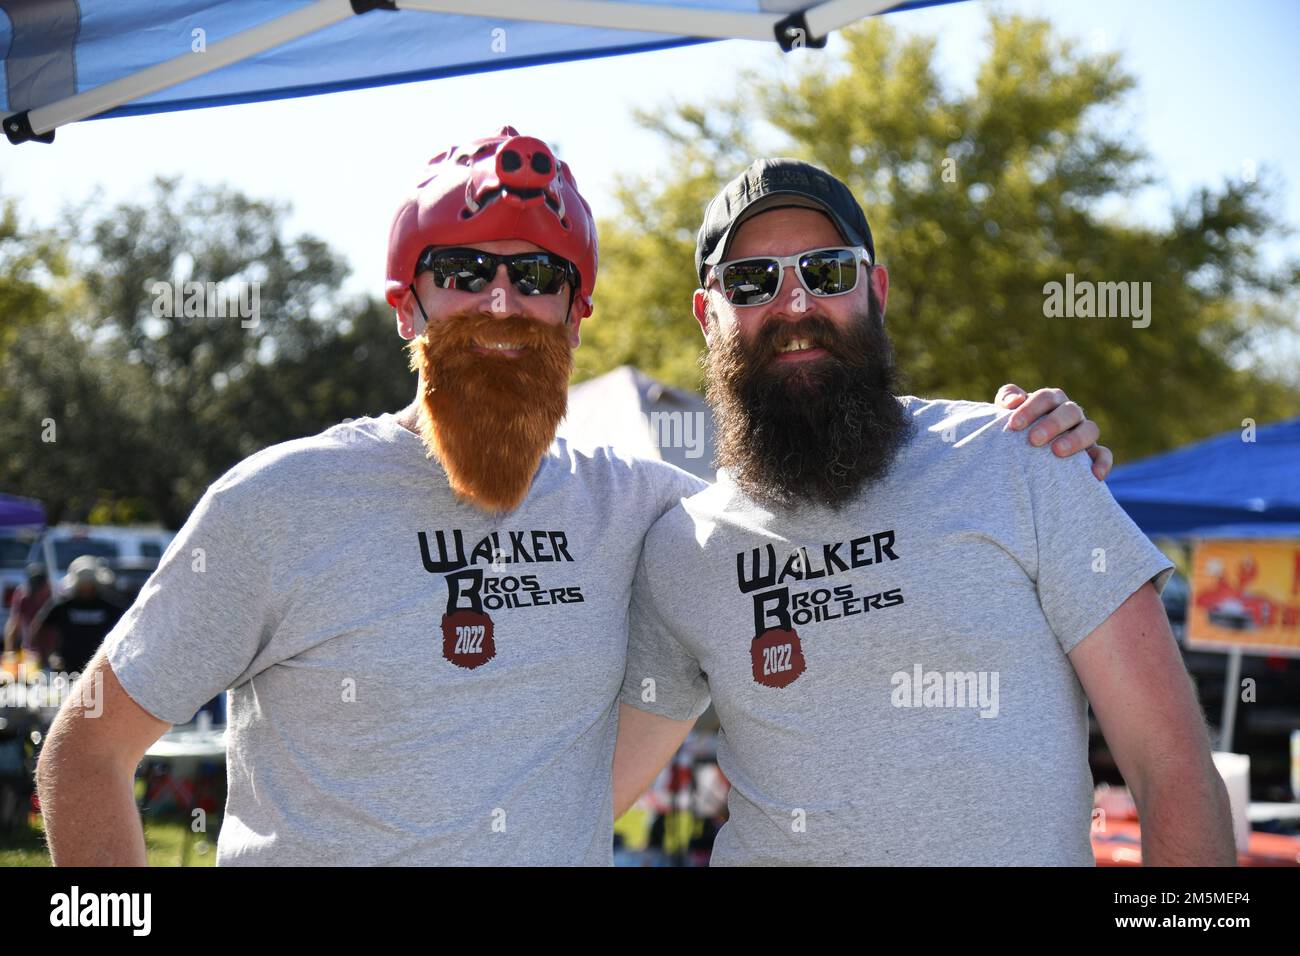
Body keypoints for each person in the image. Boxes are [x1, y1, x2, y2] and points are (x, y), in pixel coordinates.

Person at [37, 129, 1106, 866]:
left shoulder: (649, 513)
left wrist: (1018, 429)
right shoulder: (277, 501)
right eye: (463, 269)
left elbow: (822, 494)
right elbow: (82, 751)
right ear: (407, 303)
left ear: (576, 313)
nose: (502, 302)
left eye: (538, 276)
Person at [612, 158, 1237, 866]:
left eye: (827, 272)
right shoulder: (683, 549)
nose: (795, 306)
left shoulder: (1023, 459)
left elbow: (1172, 769)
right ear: (709, 315)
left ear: (875, 289)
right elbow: (581, 794)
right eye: (753, 281)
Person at [29, 556, 125, 675]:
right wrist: (44, 657)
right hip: (67, 667)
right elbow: (39, 629)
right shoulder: (64, 606)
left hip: (100, 666)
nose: (86, 588)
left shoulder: (110, 607)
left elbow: (125, 630)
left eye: (89, 583)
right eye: (83, 584)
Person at [3, 562, 58, 667]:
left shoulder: (55, 596)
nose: (38, 591)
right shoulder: (22, 595)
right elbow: (14, 624)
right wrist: (9, 652)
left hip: (52, 651)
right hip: (31, 653)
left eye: (40, 586)